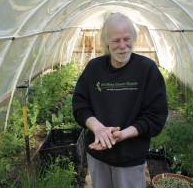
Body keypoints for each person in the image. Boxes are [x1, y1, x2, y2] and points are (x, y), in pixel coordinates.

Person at [72, 13, 168, 188]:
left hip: (130, 158)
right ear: (106, 42)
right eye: (116, 40)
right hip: (97, 154)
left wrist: (123, 134)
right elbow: (80, 104)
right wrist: (98, 128)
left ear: (134, 39)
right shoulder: (94, 68)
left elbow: (156, 116)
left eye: (127, 39)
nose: (123, 46)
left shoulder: (147, 70)